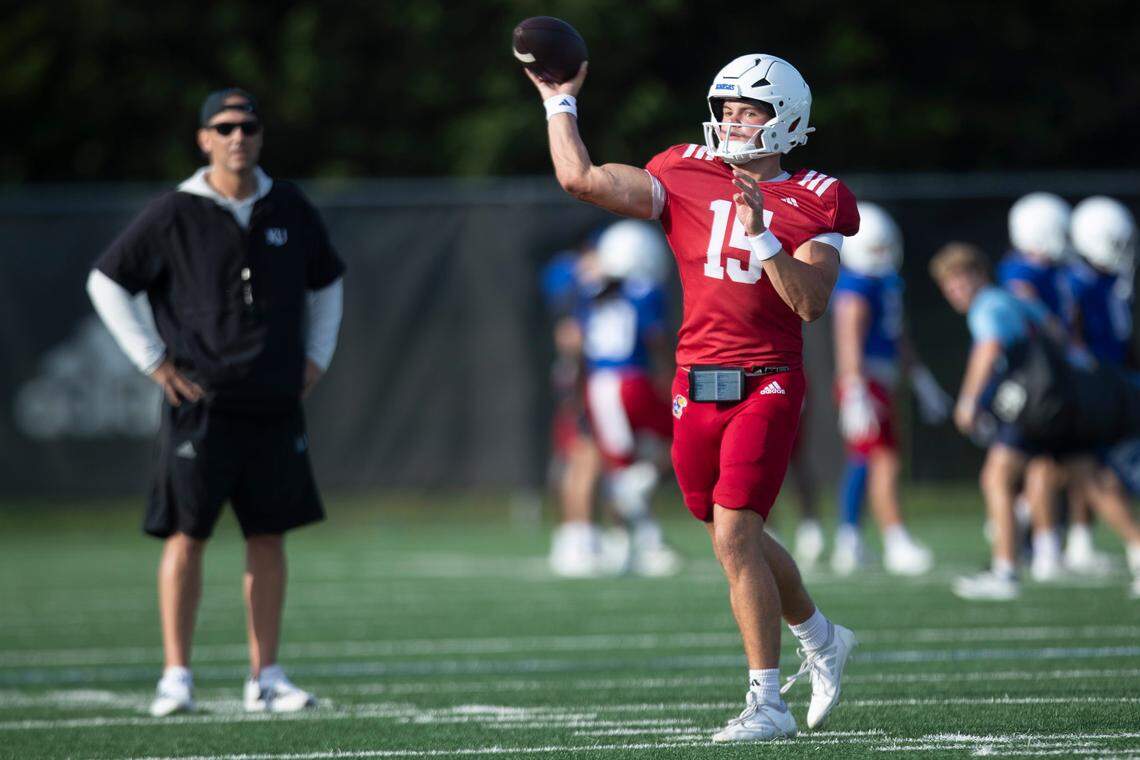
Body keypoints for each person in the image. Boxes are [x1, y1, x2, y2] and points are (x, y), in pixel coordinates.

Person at [526, 53, 859, 741]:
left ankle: (767, 703)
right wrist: (560, 103)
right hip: (693, 381)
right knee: (729, 535)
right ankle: (822, 635)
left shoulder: (818, 196)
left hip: (768, 378)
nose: (734, 123)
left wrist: (762, 227)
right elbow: (580, 179)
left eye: (750, 111)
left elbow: (810, 303)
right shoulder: (683, 171)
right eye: (728, 109)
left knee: (738, 532)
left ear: (786, 118)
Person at [86, 88, 345, 716]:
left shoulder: (288, 205)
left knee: (268, 536)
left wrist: (317, 357)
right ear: (205, 137)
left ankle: (268, 676)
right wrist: (152, 360)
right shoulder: (175, 211)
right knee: (187, 535)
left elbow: (328, 280)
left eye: (249, 126)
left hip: (275, 402)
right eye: (225, 126)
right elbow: (107, 280)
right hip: (201, 403)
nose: (239, 137)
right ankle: (176, 675)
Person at [930, 242, 1068, 600]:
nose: (956, 291)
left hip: (1029, 400)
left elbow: (989, 348)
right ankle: (1048, 553)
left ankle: (1006, 570)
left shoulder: (987, 305)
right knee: (1047, 470)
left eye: (962, 281)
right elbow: (1055, 329)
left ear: (979, 276)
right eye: (949, 286)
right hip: (1053, 398)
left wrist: (969, 401)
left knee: (996, 478)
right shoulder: (1010, 297)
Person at [830, 202, 948, 576]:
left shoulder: (884, 282)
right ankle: (895, 541)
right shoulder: (857, 284)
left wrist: (921, 379)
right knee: (885, 460)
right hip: (867, 382)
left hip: (881, 379)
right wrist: (854, 387)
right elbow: (848, 336)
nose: (882, 254)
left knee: (865, 461)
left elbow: (897, 336)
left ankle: (850, 540)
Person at [580, 219, 681, 576]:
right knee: (683, 442)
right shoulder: (644, 291)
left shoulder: (595, 293)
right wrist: (670, 377)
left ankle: (632, 544)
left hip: (599, 385)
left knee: (619, 470)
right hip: (631, 381)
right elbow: (654, 340)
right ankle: (642, 540)